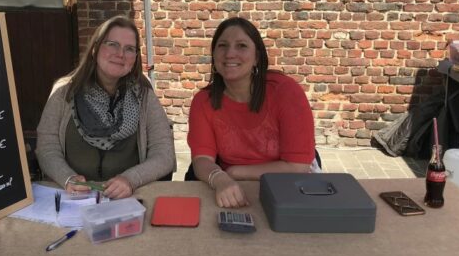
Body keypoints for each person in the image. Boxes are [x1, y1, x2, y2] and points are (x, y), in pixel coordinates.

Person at [36, 15, 175, 199]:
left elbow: (164, 154)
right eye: (112, 44)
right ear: (94, 49)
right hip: (74, 198)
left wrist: (130, 180)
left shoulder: (144, 96)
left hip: (126, 199)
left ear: (135, 57)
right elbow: (47, 147)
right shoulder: (63, 92)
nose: (120, 54)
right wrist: (67, 178)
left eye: (129, 49)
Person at [188, 17, 315, 208]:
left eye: (241, 46)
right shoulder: (203, 101)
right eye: (222, 45)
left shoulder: (286, 92)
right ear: (214, 55)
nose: (230, 53)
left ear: (257, 57)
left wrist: (235, 172)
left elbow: (298, 166)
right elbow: (202, 160)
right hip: (227, 185)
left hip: (286, 182)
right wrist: (220, 179)